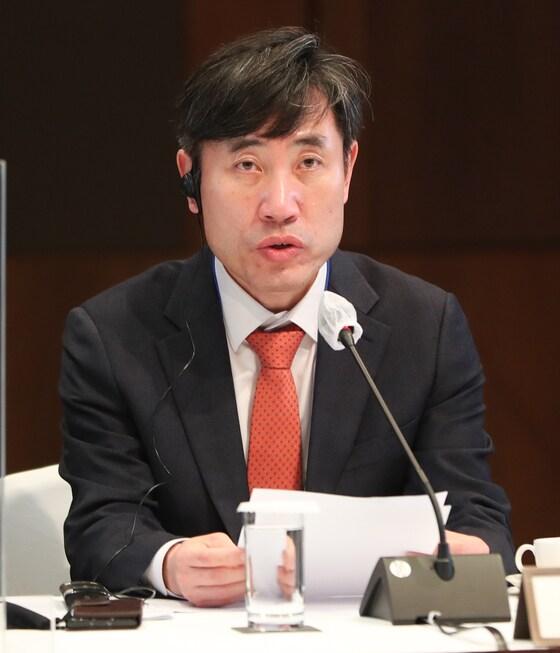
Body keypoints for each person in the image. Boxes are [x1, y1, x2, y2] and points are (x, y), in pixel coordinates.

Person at [59, 26, 515, 608]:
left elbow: (475, 512)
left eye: (308, 161)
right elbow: (99, 524)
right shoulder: (113, 335)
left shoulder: (425, 327)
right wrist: (168, 562)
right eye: (247, 164)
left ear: (348, 169)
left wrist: (466, 551)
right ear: (191, 179)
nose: (280, 205)